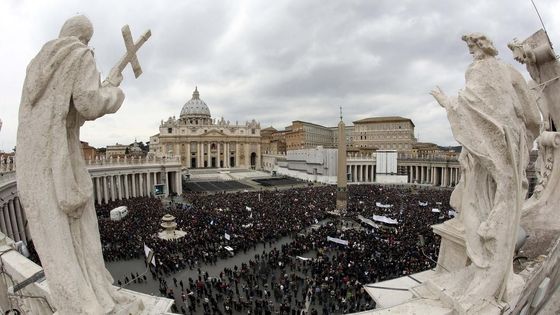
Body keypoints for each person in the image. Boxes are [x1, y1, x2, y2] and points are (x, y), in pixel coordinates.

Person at [16, 15, 141, 314]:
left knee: (57, 239)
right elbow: (89, 104)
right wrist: (113, 89)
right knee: (81, 234)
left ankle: (75, 300)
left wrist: (105, 81)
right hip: (62, 161)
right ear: (84, 38)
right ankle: (91, 300)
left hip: (34, 163)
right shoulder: (79, 54)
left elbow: (70, 108)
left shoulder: (37, 65)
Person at [431, 33, 540, 309]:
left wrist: (446, 102)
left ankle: (487, 269)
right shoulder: (512, 73)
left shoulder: (477, 71)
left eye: (471, 47)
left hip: (489, 152)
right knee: (498, 199)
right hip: (509, 151)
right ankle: (493, 269)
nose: (471, 53)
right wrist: (523, 140)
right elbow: (533, 118)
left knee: (479, 203)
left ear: (482, 47)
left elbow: (467, 107)